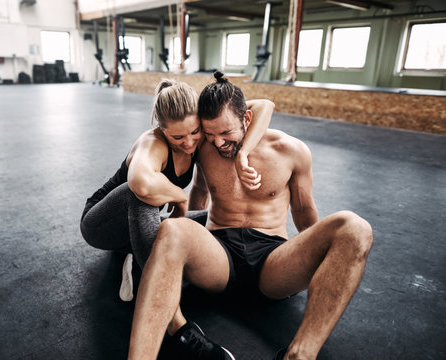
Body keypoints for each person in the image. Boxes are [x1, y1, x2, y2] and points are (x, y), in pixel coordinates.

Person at [127, 72, 374, 360]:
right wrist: (182, 243)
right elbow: (199, 189)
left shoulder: (291, 151)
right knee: (172, 229)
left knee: (354, 227)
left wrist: (317, 263)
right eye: (209, 134)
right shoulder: (203, 146)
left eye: (226, 133)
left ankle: (300, 354)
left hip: (272, 262)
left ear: (247, 119)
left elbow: (304, 212)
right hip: (219, 258)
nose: (217, 143)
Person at [80, 78, 275, 301]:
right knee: (137, 194)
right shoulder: (152, 142)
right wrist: (180, 196)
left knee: (220, 219)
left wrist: (242, 154)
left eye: (195, 131)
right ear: (162, 129)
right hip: (100, 225)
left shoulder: (198, 133)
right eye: (178, 137)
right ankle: (157, 292)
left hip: (141, 223)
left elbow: (264, 106)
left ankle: (135, 251)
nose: (190, 143)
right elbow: (141, 184)